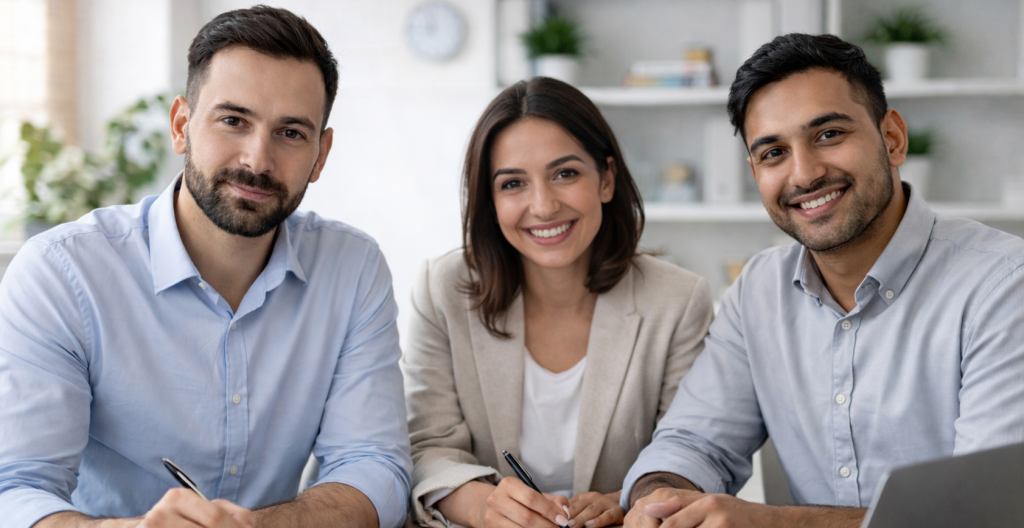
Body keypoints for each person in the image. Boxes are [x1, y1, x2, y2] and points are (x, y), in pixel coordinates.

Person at [0, 6, 411, 528]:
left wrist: (257, 526)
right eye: (233, 120)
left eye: (290, 133)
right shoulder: (62, 273)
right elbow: (16, 488)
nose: (257, 160)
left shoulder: (353, 270)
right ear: (181, 126)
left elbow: (374, 465)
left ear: (321, 154)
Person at [621, 34, 1024, 528]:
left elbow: (987, 513)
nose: (805, 173)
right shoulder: (758, 291)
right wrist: (657, 500)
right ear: (755, 173)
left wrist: (774, 522)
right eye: (773, 153)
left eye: (829, 134)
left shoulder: (1004, 285)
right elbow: (693, 443)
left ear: (892, 138)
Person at [401, 77, 714, 528]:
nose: (543, 206)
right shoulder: (441, 289)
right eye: (513, 184)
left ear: (606, 179)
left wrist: (624, 502)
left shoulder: (678, 301)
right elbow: (427, 446)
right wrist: (484, 507)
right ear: (490, 200)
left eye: (565, 173)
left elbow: (690, 450)